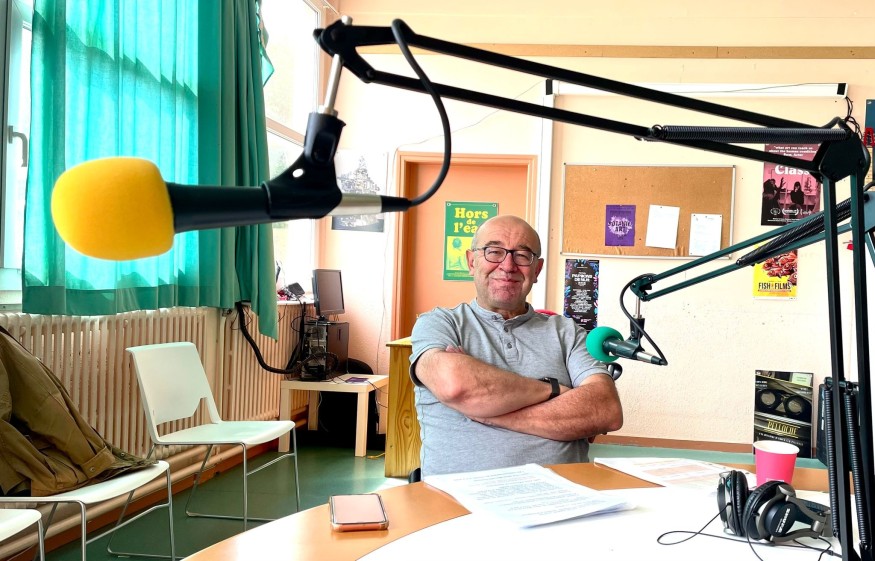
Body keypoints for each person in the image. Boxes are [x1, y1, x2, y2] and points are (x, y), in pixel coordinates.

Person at [409, 215, 623, 476]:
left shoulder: (567, 332)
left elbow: (605, 409)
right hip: (459, 496)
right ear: (471, 261)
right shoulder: (440, 323)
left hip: (561, 495)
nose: (508, 266)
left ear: (537, 270)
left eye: (522, 255)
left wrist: (489, 413)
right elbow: (456, 385)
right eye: (494, 252)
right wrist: (554, 390)